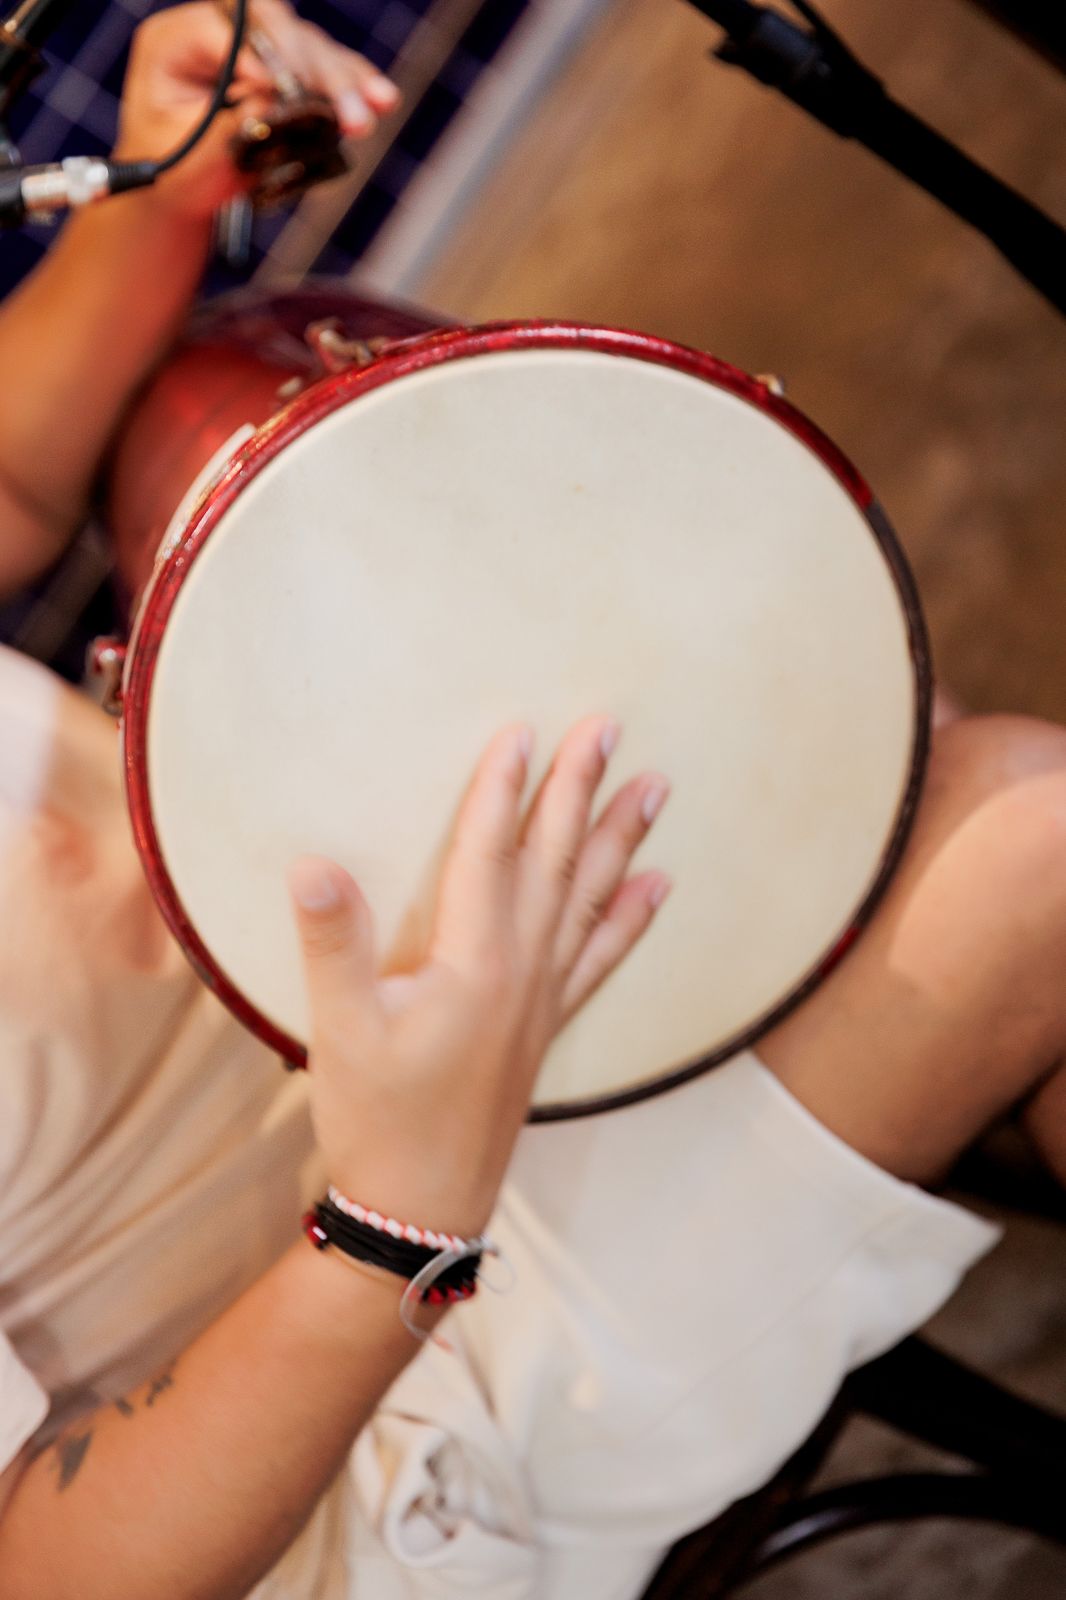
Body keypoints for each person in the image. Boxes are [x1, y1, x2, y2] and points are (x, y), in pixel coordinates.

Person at [0, 6, 1064, 1597]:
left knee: (838, 746)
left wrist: (159, 190)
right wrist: (397, 1209)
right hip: (358, 1436)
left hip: (427, 1044)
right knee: (1018, 851)